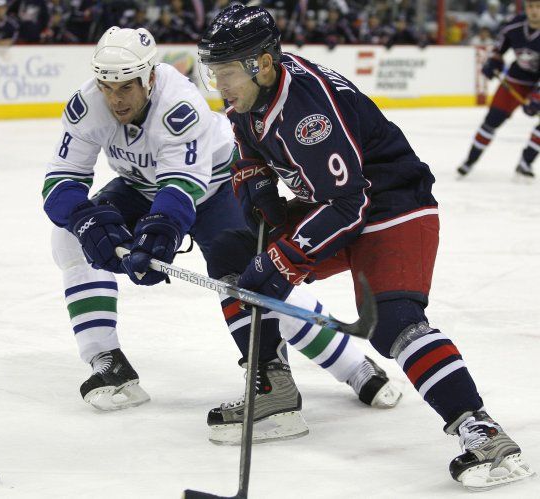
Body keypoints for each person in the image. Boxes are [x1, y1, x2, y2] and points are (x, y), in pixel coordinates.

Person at [198, 4, 534, 489]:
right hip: (335, 203)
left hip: (392, 206)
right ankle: (272, 388)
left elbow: (350, 203)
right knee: (231, 251)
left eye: (226, 73)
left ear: (263, 64)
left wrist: (284, 258)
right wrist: (254, 185)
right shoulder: (249, 98)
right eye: (216, 74)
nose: (221, 87)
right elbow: (249, 150)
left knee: (393, 322)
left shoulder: (307, 110)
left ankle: (481, 430)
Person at [42, 26, 401, 417]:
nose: (114, 99)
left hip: (214, 187)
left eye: (125, 87)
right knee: (69, 239)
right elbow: (61, 178)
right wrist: (85, 220)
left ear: (148, 76)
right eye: (107, 86)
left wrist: (157, 236)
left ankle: (352, 366)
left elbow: (182, 186)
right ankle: (108, 363)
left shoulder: (179, 103)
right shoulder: (88, 102)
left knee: (251, 277)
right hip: (142, 186)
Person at [458, 0, 540, 179]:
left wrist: (536, 98)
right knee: (491, 121)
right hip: (516, 80)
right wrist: (493, 62)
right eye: (531, 7)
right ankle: (469, 161)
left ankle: (525, 163)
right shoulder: (514, 26)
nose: (534, 11)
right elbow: (498, 49)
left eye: (538, 7)